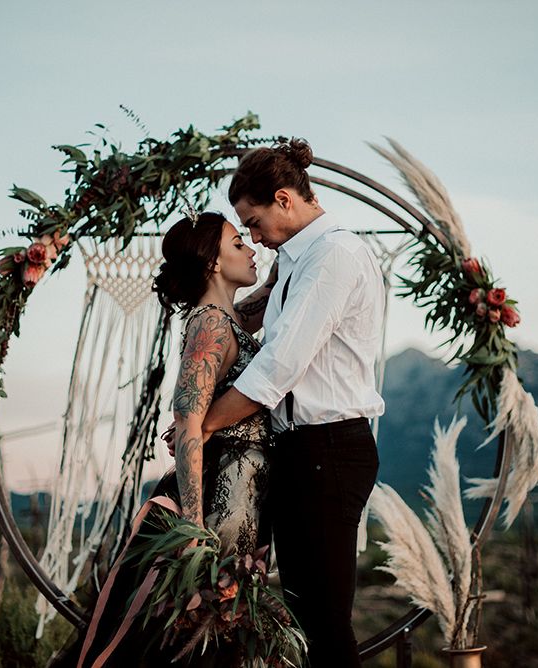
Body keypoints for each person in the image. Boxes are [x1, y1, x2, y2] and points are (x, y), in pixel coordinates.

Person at [199, 138, 385, 668]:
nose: (252, 237)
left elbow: (278, 367)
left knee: (326, 627)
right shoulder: (298, 260)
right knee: (308, 622)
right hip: (307, 452)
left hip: (328, 450)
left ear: (284, 199)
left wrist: (203, 425)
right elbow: (258, 315)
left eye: (253, 222)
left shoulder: (332, 256)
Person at [73, 211, 285, 667]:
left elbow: (265, 297)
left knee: (221, 627)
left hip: (244, 489)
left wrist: (287, 248)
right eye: (237, 243)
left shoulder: (229, 318)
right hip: (218, 494)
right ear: (212, 262)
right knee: (196, 631)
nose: (250, 248)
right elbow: (188, 421)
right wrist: (192, 529)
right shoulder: (209, 323)